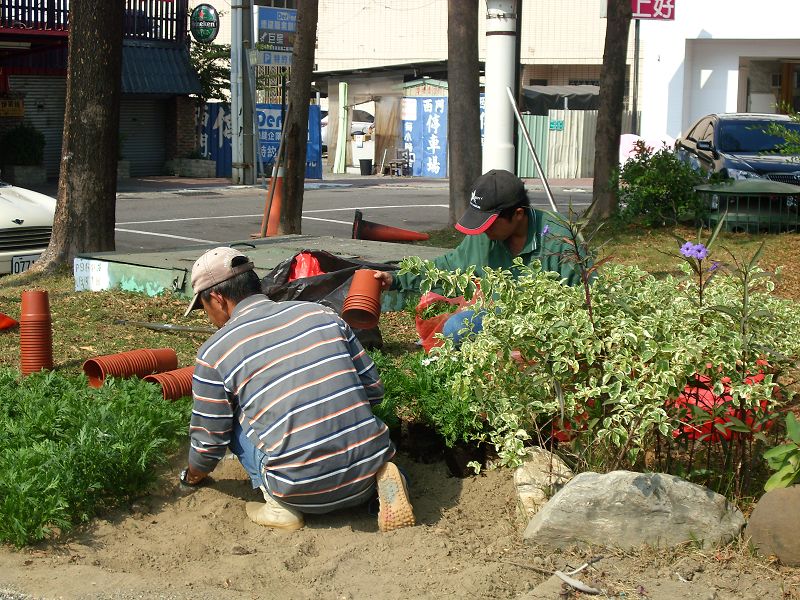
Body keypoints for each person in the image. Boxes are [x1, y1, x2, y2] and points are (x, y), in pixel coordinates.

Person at [179, 246, 414, 533]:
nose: (208, 317)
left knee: (232, 418)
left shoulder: (214, 352)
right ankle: (383, 481)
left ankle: (279, 505)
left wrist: (191, 475)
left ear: (217, 298)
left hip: (301, 492)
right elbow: (374, 390)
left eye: (203, 307)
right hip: (367, 472)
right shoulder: (322, 314)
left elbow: (209, 442)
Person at [374, 169, 582, 344]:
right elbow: (446, 267)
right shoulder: (484, 237)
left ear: (518, 214)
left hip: (548, 329)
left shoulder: (560, 239)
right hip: (497, 320)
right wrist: (396, 279)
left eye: (489, 223)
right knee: (455, 328)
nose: (483, 230)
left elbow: (584, 299)